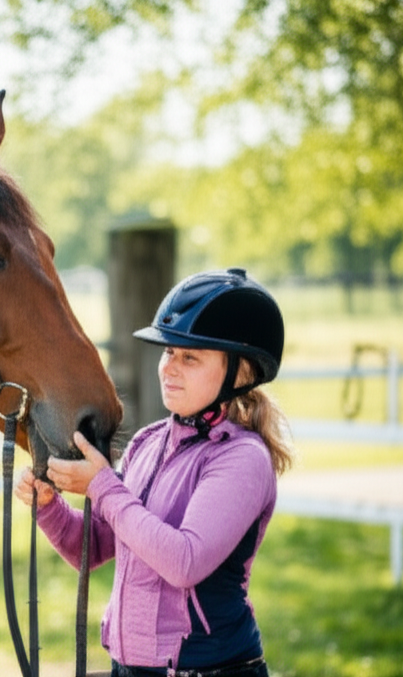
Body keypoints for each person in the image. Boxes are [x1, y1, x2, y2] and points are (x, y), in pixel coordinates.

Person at [16, 268, 293, 677]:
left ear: (241, 372)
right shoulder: (148, 443)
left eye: (190, 358)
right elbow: (89, 548)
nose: (169, 368)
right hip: (129, 667)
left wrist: (102, 487)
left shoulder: (241, 458)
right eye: (168, 353)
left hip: (208, 669)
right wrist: (49, 506)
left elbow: (185, 562)